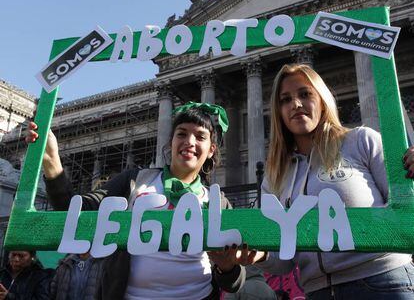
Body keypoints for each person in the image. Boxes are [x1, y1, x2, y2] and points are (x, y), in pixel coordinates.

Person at [27, 102, 249, 300]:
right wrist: (52, 162)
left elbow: (233, 283)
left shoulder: (217, 201)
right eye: (181, 134)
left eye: (200, 136)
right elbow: (75, 212)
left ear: (211, 150)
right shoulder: (135, 181)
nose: (189, 142)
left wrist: (227, 267)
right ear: (171, 141)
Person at [247, 64, 414, 299]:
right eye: (286, 99)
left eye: (305, 94)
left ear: (322, 98)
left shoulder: (361, 141)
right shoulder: (274, 177)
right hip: (319, 291)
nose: (296, 104)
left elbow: (407, 209)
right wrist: (259, 255)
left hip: (382, 281)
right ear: (278, 111)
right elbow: (284, 261)